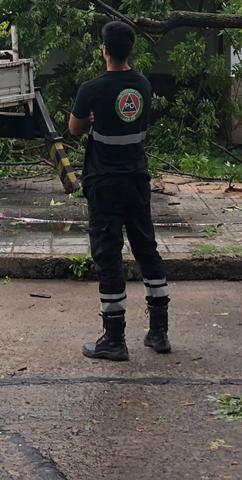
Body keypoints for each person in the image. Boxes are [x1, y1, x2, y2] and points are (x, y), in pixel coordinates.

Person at [69, 20, 169, 361]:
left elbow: (74, 129)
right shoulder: (143, 85)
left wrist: (93, 120)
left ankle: (114, 339)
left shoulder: (91, 89)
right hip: (137, 179)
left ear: (104, 50)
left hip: (104, 182)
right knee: (147, 249)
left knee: (108, 255)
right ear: (131, 50)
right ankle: (159, 331)